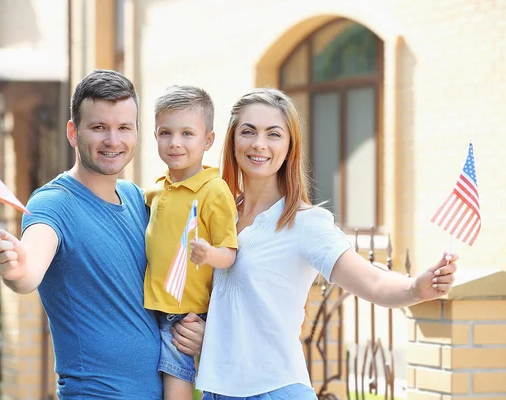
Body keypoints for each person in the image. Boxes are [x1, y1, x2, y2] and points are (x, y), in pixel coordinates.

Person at [195, 88, 458, 400]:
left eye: (274, 134)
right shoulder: (217, 217)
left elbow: (372, 281)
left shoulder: (305, 223)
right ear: (232, 141)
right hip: (215, 390)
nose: (259, 144)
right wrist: (203, 335)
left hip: (274, 391)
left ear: (290, 146)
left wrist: (415, 288)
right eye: (248, 131)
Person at [0, 69, 206, 400]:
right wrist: (16, 269)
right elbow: (28, 271)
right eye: (99, 127)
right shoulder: (53, 203)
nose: (113, 141)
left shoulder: (137, 198)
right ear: (73, 132)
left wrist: (200, 333)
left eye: (123, 128)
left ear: (136, 132)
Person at [144, 85, 238, 400]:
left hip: (186, 312)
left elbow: (230, 254)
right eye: (165, 133)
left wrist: (210, 254)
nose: (175, 143)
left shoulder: (214, 190)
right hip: (152, 307)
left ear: (208, 140)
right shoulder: (156, 191)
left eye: (187, 134)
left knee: (176, 380)